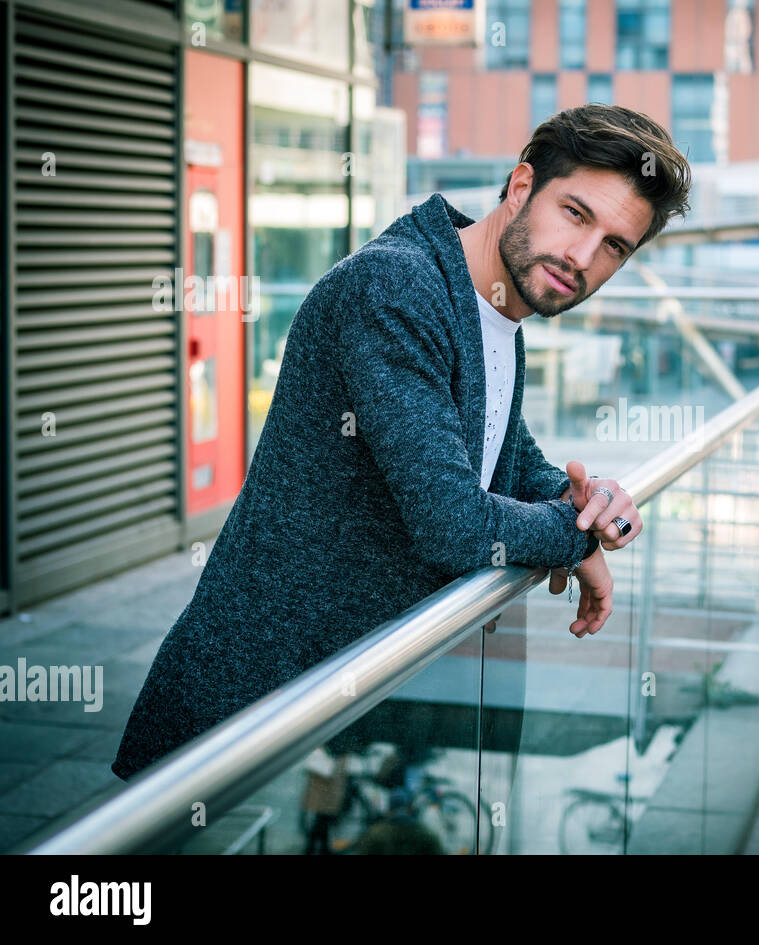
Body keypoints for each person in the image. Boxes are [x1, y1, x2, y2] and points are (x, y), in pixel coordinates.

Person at [111, 104, 693, 781]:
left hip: (346, 710)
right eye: (576, 213)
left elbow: (496, 447)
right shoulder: (395, 288)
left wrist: (581, 501)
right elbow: (453, 522)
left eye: (616, 246)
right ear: (520, 186)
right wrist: (574, 535)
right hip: (259, 710)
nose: (583, 258)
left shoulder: (493, 305)